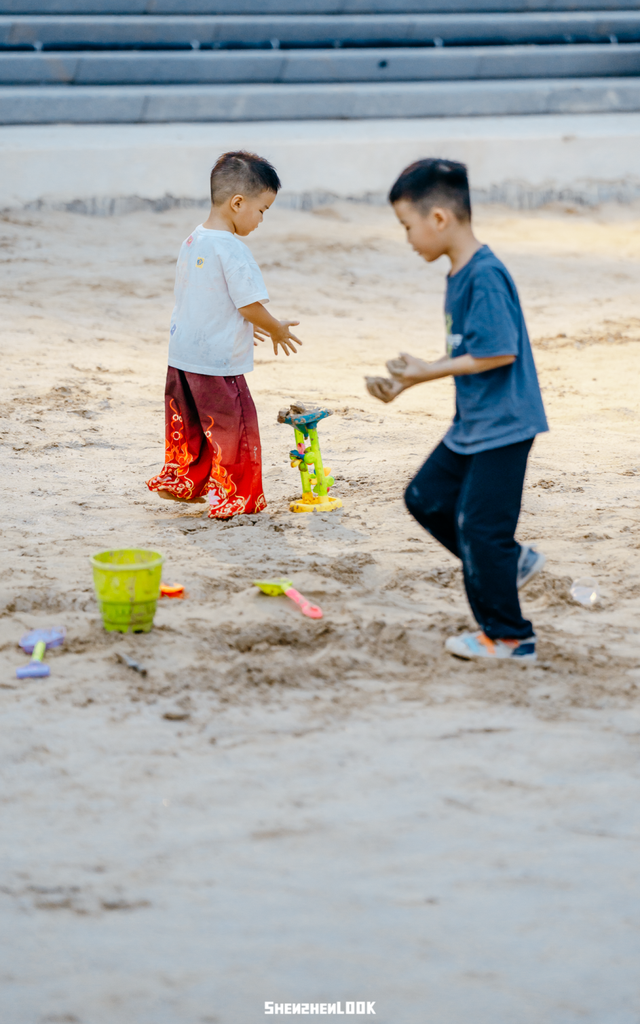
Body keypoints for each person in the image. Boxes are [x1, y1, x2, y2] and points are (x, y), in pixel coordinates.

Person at [366, 158, 548, 662]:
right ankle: (510, 564)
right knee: (425, 498)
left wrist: (428, 370)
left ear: (439, 219)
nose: (408, 239)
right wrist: (407, 383)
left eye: (408, 227)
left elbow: (499, 351)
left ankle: (510, 637)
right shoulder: (461, 273)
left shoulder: (484, 275)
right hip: (473, 423)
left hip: (504, 425)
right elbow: (473, 351)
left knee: (480, 528)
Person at [146, 150, 301, 519]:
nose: (262, 219)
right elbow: (248, 305)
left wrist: (240, 327)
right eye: (262, 210)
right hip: (217, 365)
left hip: (182, 356)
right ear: (237, 203)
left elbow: (205, 297)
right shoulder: (234, 250)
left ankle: (181, 480)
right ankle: (238, 497)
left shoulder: (193, 241)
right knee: (235, 427)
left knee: (191, 423)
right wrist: (274, 327)